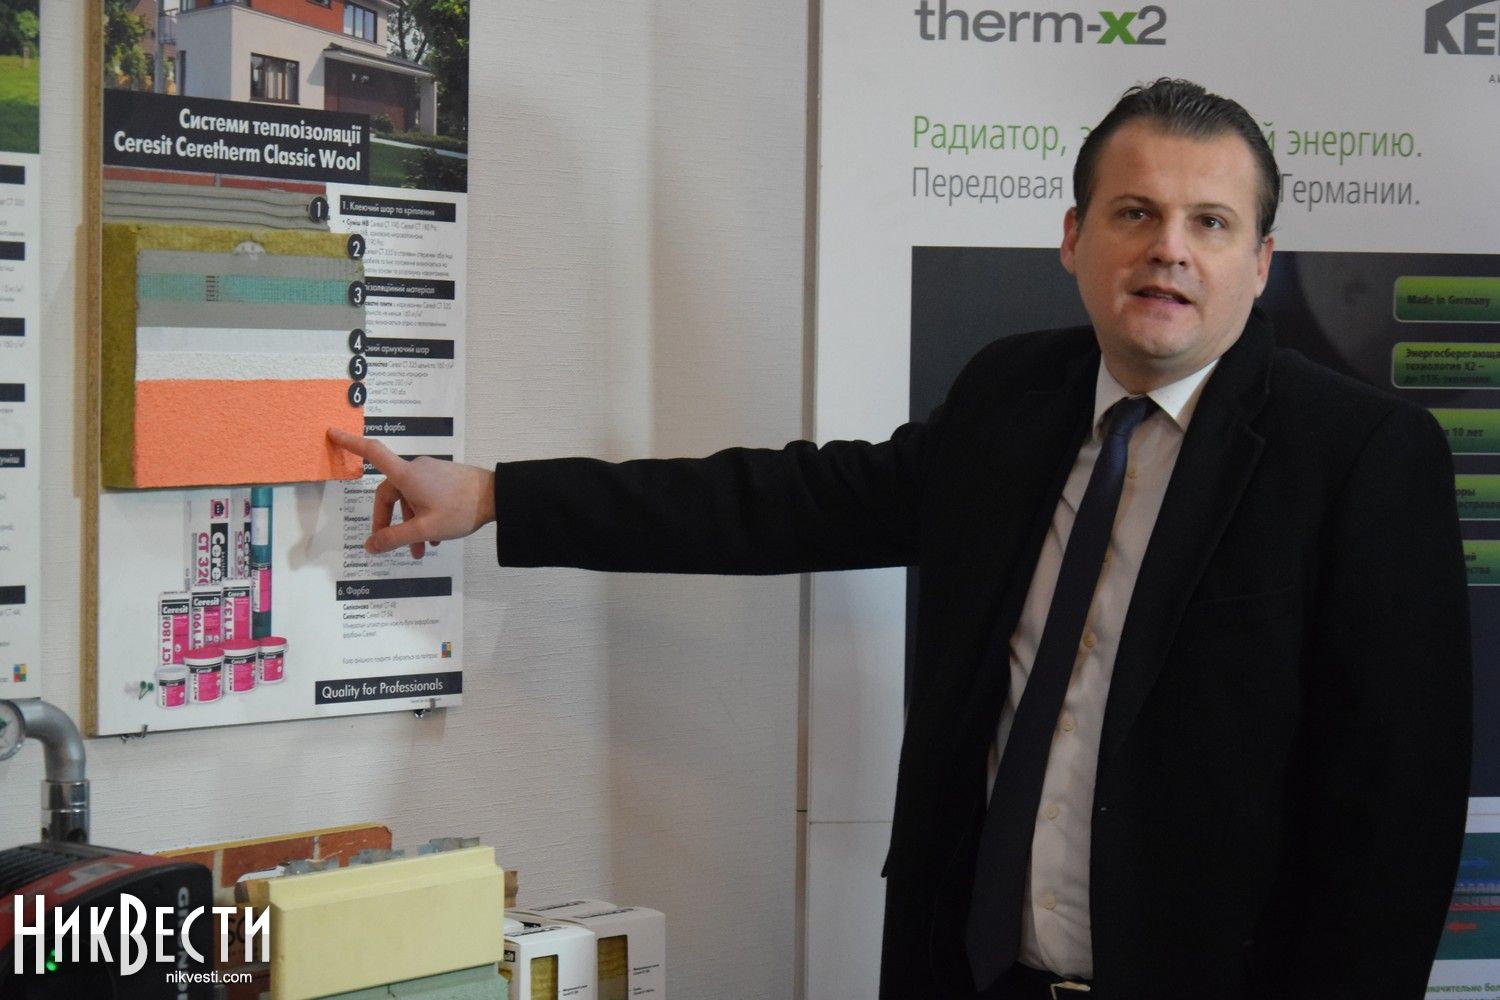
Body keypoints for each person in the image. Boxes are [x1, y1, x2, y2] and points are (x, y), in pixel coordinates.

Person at [330, 79, 1472, 999]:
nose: (1168, 249)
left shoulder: (1363, 458)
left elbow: (1397, 826)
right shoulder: (1012, 397)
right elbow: (786, 501)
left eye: (1210, 223)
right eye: (1134, 213)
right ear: (1073, 238)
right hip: (969, 971)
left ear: (1260, 263)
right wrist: (495, 495)